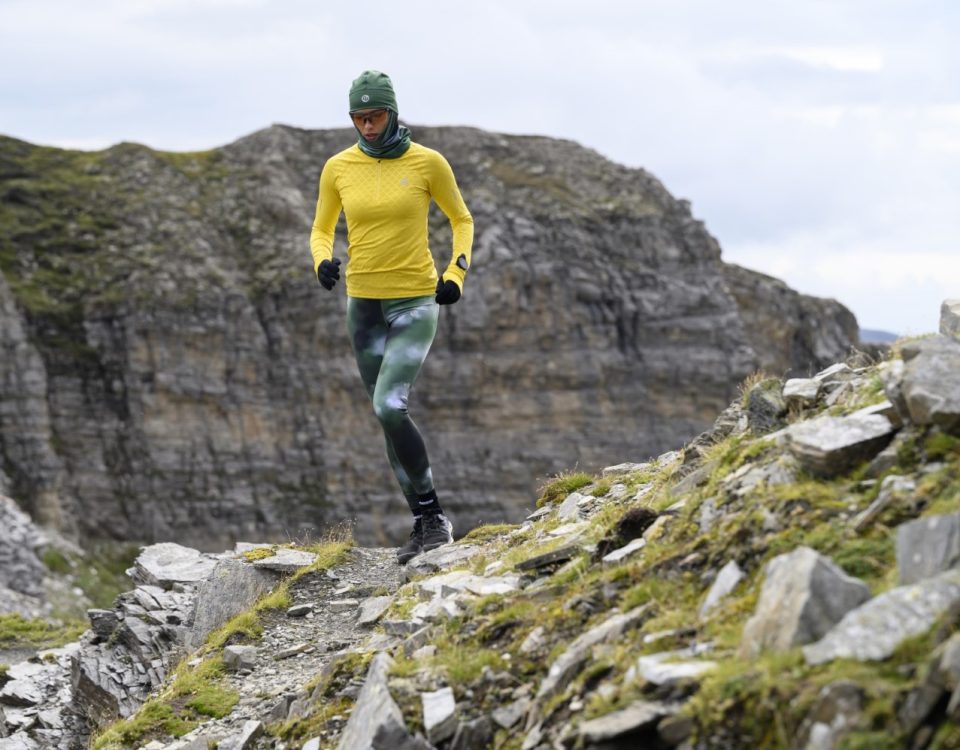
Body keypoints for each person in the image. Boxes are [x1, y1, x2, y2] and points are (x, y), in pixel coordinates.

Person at [309, 70, 474, 564]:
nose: (367, 125)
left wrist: (455, 273)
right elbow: (321, 228)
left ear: (393, 112)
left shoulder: (428, 162)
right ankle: (423, 522)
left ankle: (435, 518)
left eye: (375, 115)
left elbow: (461, 219)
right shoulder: (338, 167)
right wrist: (321, 261)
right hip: (363, 307)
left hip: (415, 301)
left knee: (389, 405)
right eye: (358, 117)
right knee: (387, 419)